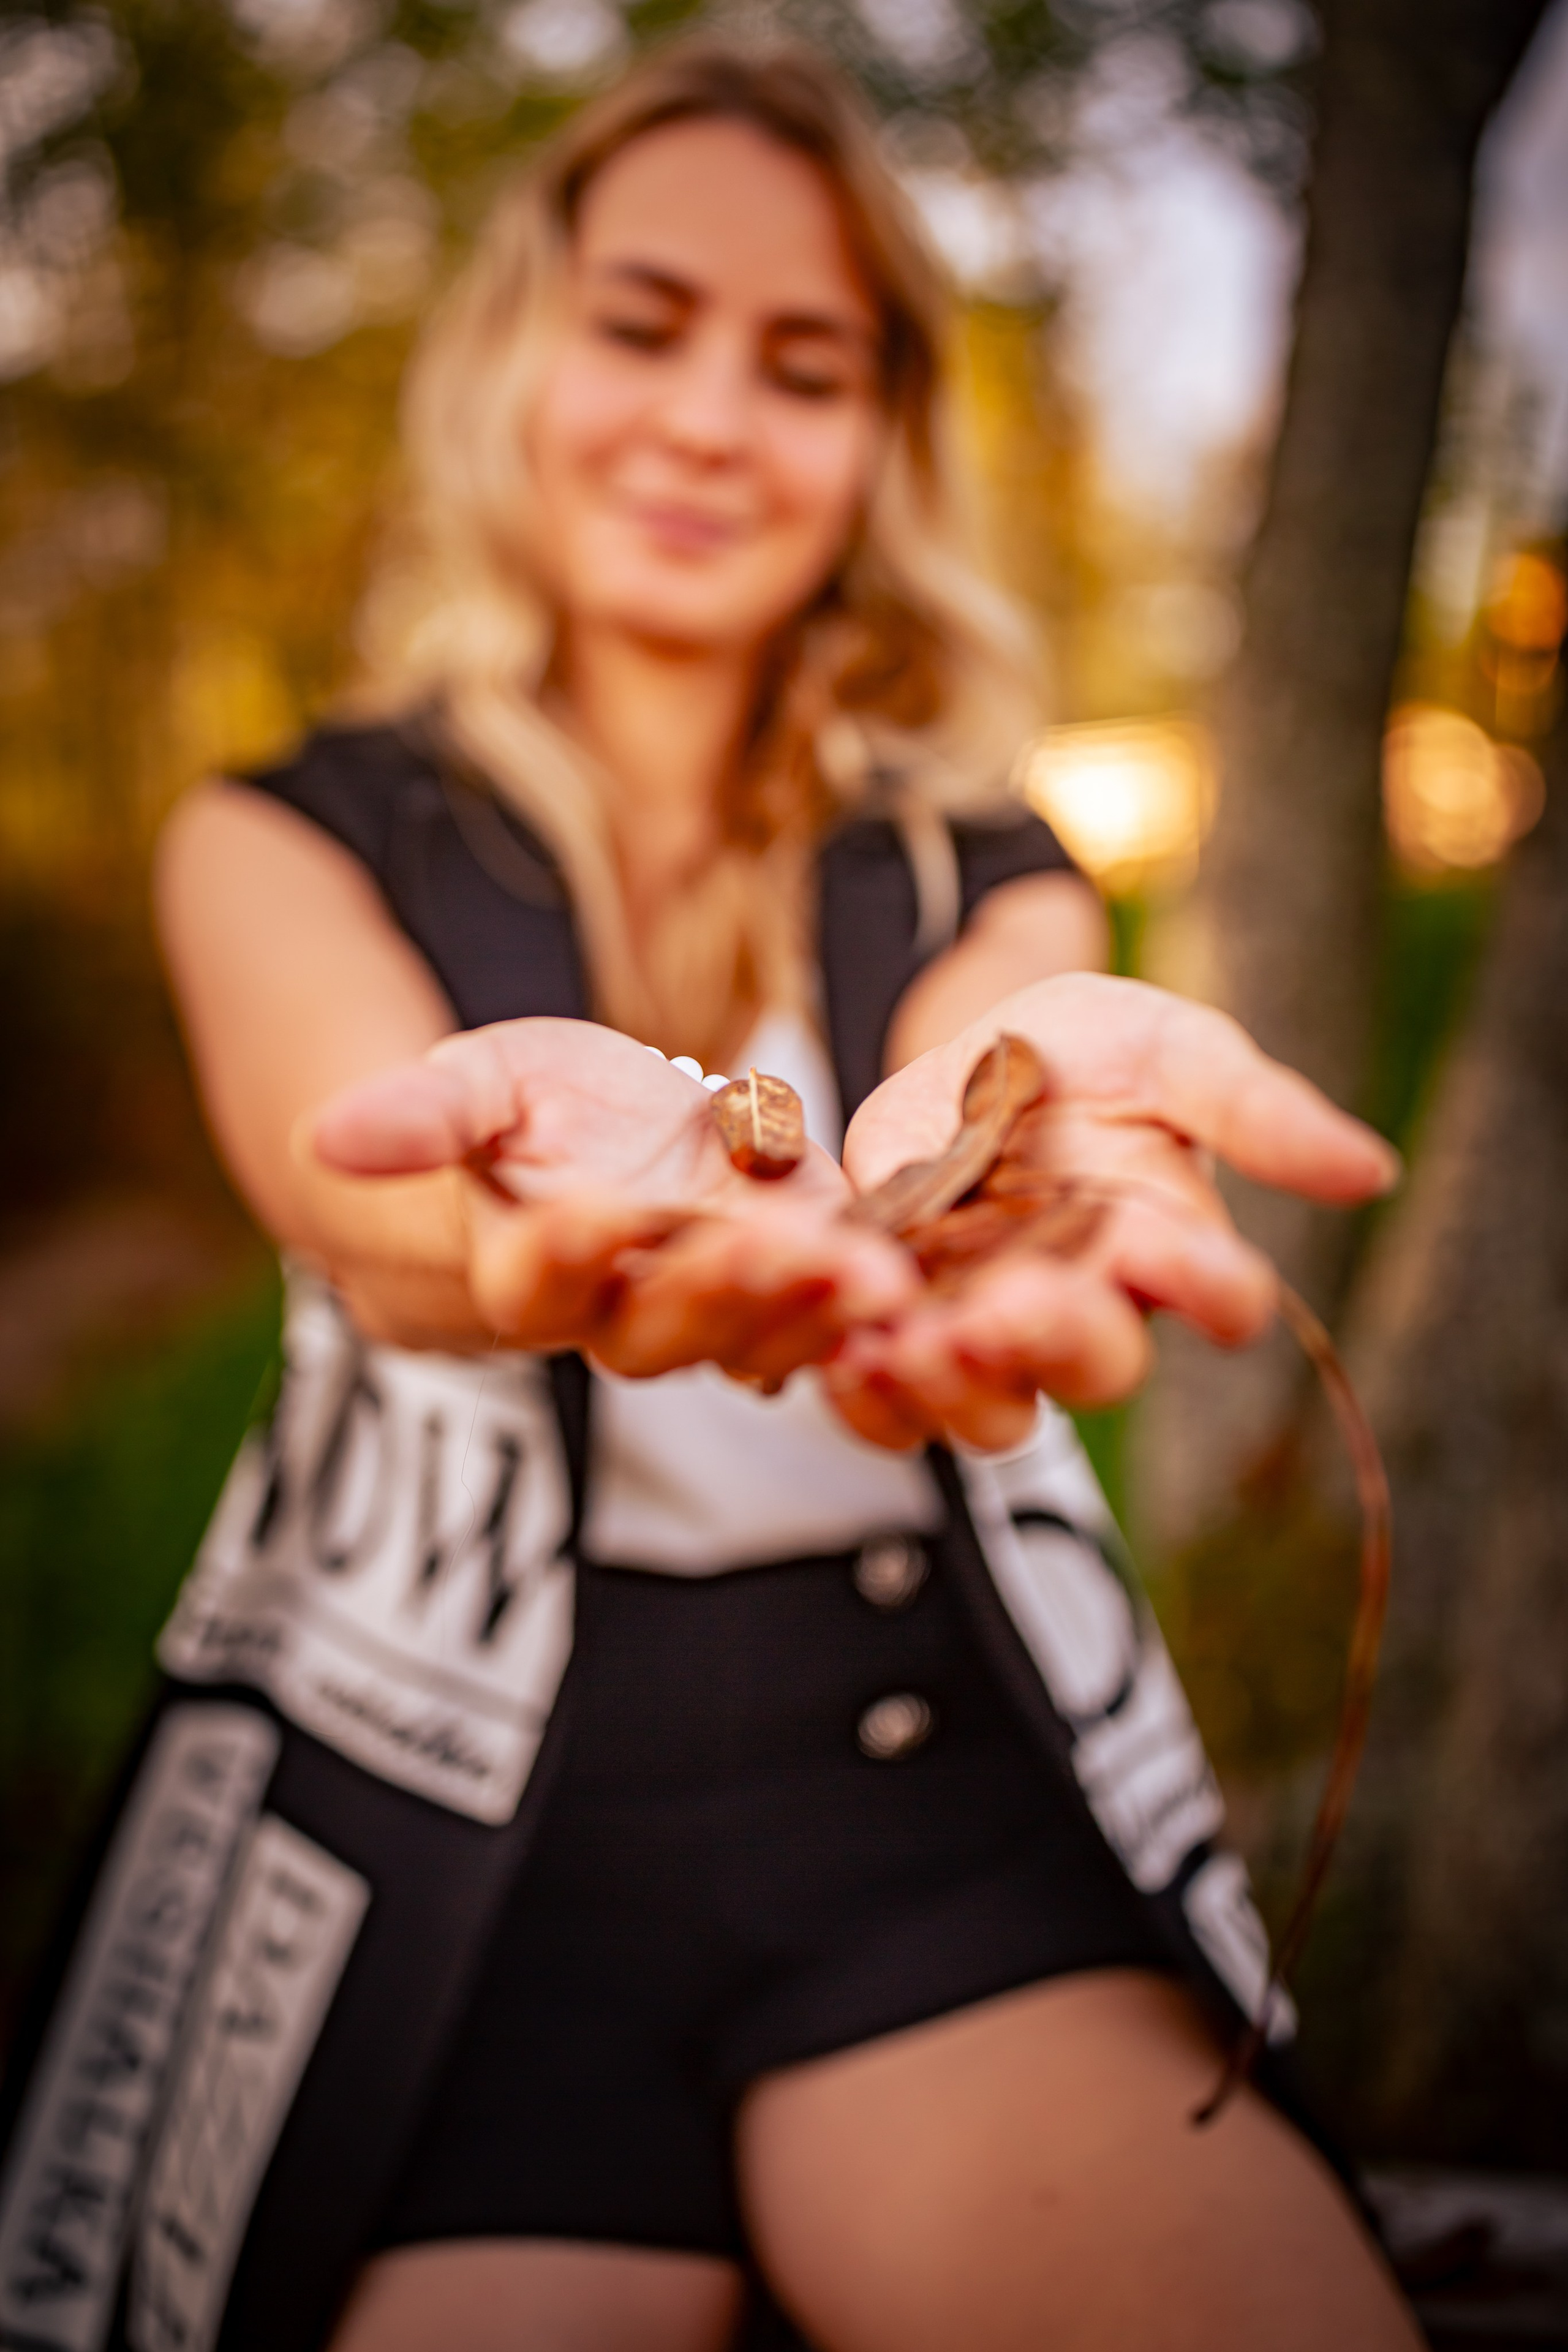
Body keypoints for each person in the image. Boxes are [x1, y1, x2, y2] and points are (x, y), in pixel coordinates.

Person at [0, 39, 1422, 2352]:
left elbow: (1004, 1038)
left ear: (880, 445)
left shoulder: (979, 850)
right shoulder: (287, 830)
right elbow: (354, 1164)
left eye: (805, 365)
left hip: (917, 1792)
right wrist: (492, 1239)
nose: (706, 422)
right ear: (518, 361)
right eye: (642, 323)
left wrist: (1001, 1153)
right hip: (454, 1837)